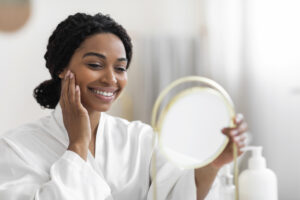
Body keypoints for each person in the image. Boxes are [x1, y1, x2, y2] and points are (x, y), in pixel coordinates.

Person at [0, 13, 248, 200]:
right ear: (62, 69)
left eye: (120, 68)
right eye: (95, 65)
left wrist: (213, 164)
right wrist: (77, 146)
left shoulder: (140, 139)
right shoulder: (17, 147)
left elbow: (178, 191)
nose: (111, 79)